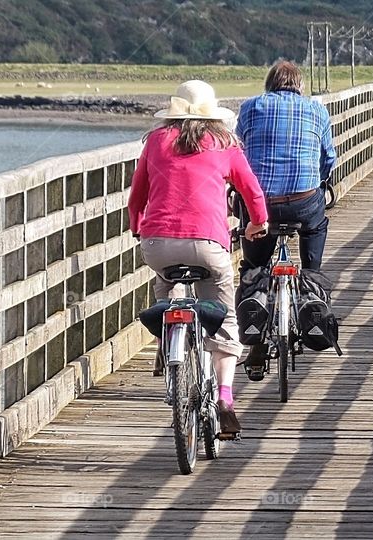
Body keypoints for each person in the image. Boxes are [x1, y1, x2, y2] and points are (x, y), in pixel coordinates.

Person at [128, 79, 269, 436]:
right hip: (208, 244)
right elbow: (251, 191)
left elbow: (137, 196)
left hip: (157, 243)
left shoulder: (156, 142)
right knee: (223, 319)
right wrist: (258, 224)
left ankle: (166, 341)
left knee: (165, 282)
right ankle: (225, 398)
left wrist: (136, 227)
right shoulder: (224, 142)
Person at [235, 60, 336, 380]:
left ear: (270, 85)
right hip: (304, 203)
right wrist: (317, 181)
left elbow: (239, 152)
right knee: (316, 227)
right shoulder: (316, 110)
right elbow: (328, 158)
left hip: (259, 205)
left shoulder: (251, 107)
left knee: (253, 267)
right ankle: (311, 284)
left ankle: (255, 343)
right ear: (299, 85)